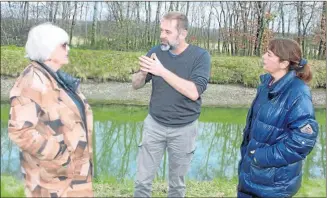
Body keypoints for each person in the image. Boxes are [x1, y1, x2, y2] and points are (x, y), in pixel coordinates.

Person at [8, 23, 94, 197]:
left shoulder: (57, 79)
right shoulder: (32, 81)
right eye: (63, 45)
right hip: (51, 182)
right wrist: (61, 155)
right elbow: (20, 131)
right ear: (48, 48)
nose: (68, 49)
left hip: (74, 177)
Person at [132, 11, 211, 197]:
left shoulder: (200, 56)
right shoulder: (155, 52)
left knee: (176, 185)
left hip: (184, 130)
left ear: (182, 34)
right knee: (142, 182)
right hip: (154, 125)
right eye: (161, 30)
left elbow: (194, 92)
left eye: (167, 32)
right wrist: (143, 73)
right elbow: (135, 85)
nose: (162, 36)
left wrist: (160, 70)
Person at [237, 38, 319, 198]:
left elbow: (302, 142)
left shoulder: (298, 93)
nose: (263, 57)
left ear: (284, 63)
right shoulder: (267, 84)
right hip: (251, 175)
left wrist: (260, 156)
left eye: (269, 54)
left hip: (273, 185)